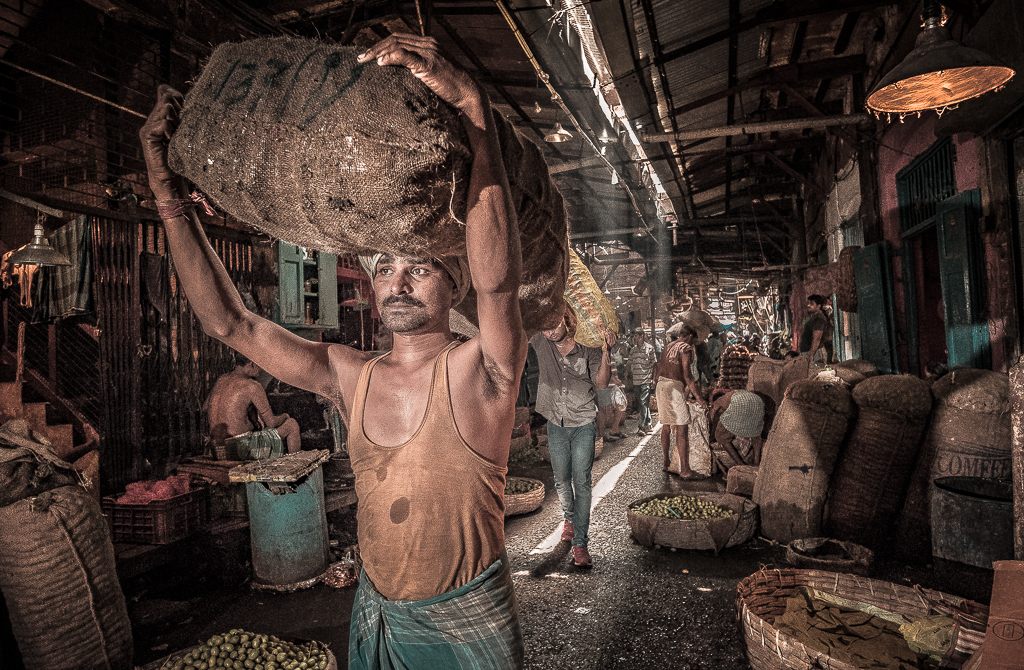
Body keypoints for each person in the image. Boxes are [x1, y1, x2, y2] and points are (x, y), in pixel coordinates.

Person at [141, 33, 527, 669]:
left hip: (465, 625)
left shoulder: (480, 369)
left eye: (419, 269)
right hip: (381, 616)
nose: (397, 284)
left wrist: (477, 118)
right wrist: (169, 198)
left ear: (450, 283)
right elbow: (229, 324)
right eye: (385, 269)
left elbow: (499, 281)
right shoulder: (349, 374)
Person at [530, 312, 615, 568]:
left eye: (554, 325)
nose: (549, 333)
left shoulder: (588, 348)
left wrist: (607, 352)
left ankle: (580, 543)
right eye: (544, 329)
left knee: (582, 482)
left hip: (583, 423)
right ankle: (569, 518)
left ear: (568, 320)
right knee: (561, 480)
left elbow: (601, 384)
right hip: (556, 422)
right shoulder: (540, 341)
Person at [207, 353, 301, 459]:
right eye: (260, 364)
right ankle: (295, 468)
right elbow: (272, 423)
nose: (261, 369)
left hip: (215, 448)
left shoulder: (221, 380)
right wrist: (285, 416)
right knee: (292, 425)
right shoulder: (252, 386)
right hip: (239, 448)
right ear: (252, 363)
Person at [653, 323, 707, 479]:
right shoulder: (686, 348)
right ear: (690, 336)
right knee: (682, 428)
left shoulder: (667, 346)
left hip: (661, 385)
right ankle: (685, 470)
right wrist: (700, 399)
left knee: (666, 425)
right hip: (673, 387)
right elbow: (687, 375)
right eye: (694, 339)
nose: (694, 342)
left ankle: (665, 462)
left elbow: (660, 367)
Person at [708, 389, 764, 467]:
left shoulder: (718, 401)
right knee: (756, 434)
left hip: (739, 403)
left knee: (721, 436)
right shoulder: (734, 393)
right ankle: (756, 462)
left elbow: (711, 417)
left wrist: (710, 433)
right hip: (758, 402)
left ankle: (740, 464)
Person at [627, 329, 657, 435]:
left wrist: (654, 379)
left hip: (646, 380)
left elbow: (655, 365)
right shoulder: (633, 350)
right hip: (636, 381)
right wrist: (626, 375)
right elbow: (629, 363)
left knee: (643, 402)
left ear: (641, 336)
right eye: (634, 335)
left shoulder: (650, 348)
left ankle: (641, 427)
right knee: (642, 404)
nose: (635, 337)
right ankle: (648, 424)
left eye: (636, 335)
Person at [800, 294, 834, 365]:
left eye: (812, 304)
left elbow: (817, 338)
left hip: (815, 354)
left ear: (818, 306)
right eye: (808, 303)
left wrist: (811, 354)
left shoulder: (818, 319)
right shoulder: (814, 318)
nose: (808, 305)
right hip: (811, 353)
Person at [596, 367, 626, 442]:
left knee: (620, 405)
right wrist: (614, 379)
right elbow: (602, 367)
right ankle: (601, 435)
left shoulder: (610, 355)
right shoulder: (601, 355)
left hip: (612, 385)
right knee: (603, 410)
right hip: (604, 385)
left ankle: (615, 429)